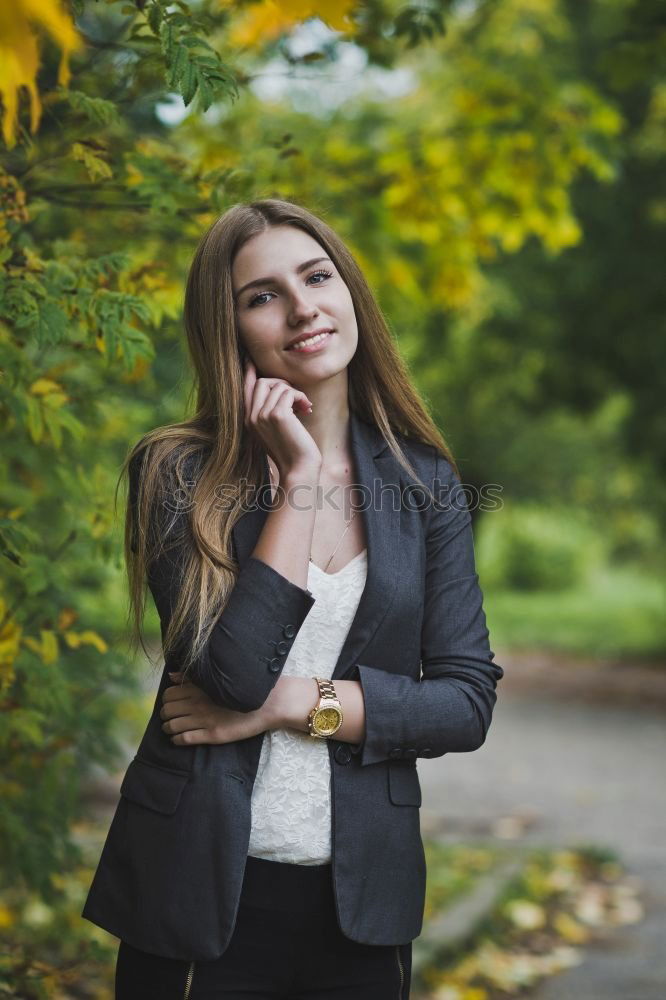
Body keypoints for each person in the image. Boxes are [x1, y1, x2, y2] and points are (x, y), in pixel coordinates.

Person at [81, 198, 503, 999]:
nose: (303, 305)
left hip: (361, 904)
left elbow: (464, 702)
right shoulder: (176, 474)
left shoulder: (426, 487)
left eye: (317, 276)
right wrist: (300, 481)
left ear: (350, 294)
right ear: (229, 328)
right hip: (200, 890)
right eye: (262, 294)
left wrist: (292, 705)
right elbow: (230, 676)